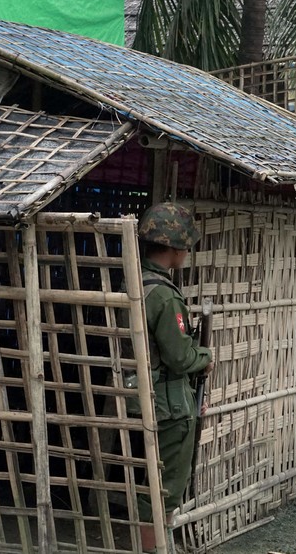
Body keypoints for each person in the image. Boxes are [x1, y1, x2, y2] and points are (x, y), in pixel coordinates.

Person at [126, 202, 213, 553]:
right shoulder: (162, 295)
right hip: (168, 405)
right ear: (175, 248)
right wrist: (204, 357)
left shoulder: (135, 283)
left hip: (139, 397)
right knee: (164, 487)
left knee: (153, 482)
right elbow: (180, 356)